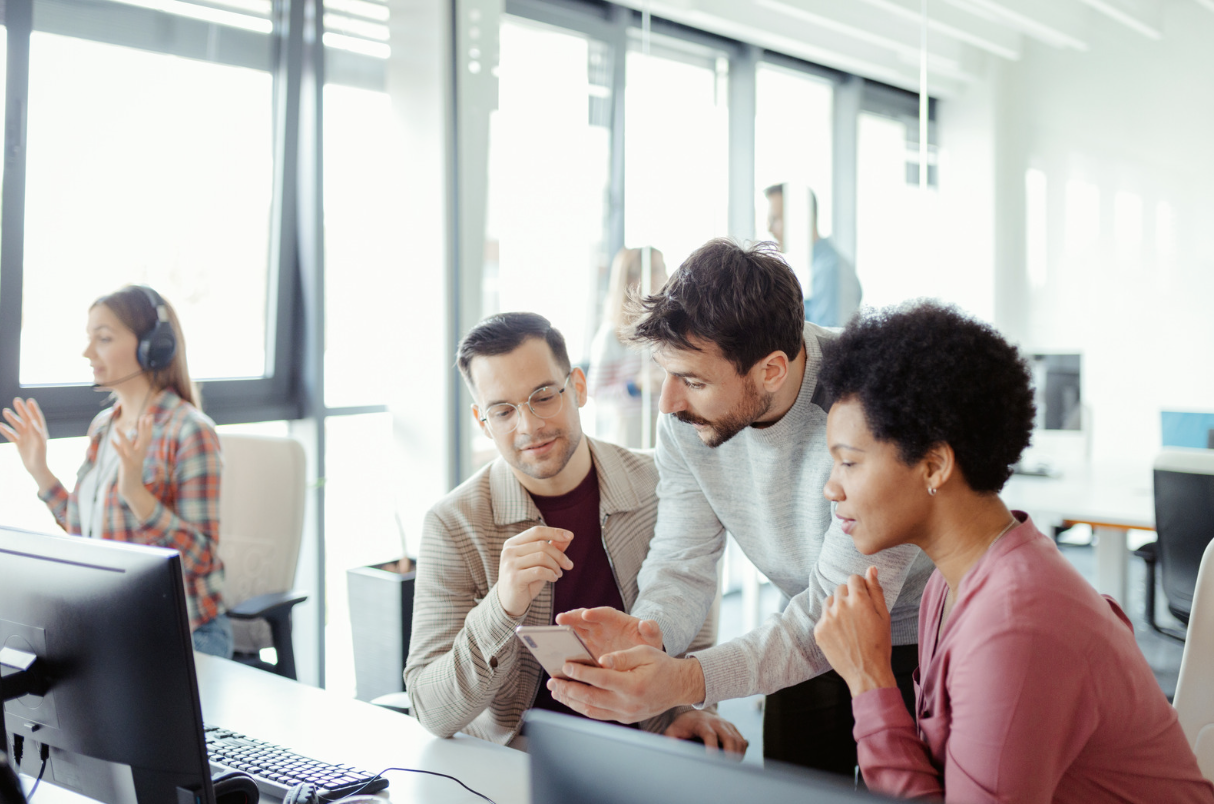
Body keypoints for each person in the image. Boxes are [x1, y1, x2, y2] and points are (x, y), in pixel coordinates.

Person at [547, 239, 934, 776]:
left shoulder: (872, 399)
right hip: (801, 628)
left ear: (771, 369)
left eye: (694, 381)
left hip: (923, 639)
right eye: (666, 373)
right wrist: (647, 636)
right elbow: (681, 561)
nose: (669, 403)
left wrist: (682, 680)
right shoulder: (683, 420)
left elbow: (842, 603)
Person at [812, 301, 1214, 802]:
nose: (831, 489)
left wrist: (869, 679)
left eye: (848, 463)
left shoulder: (1016, 624)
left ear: (934, 466)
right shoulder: (947, 583)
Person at [404, 312, 745, 753]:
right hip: (519, 758)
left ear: (579, 387)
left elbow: (692, 632)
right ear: (482, 421)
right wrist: (501, 608)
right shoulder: (454, 523)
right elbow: (431, 710)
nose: (528, 427)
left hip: (646, 750)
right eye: (503, 411)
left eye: (544, 396)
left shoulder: (659, 485)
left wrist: (688, 710)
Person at [0, 285, 230, 658]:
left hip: (183, 635)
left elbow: (202, 559)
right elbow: (89, 535)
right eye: (89, 339)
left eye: (103, 338)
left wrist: (137, 495)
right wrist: (40, 471)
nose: (87, 352)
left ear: (153, 347)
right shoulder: (104, 427)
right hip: (119, 630)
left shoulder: (189, 431)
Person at [587, 247, 667, 448]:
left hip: (664, 423)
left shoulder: (665, 329)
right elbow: (596, 394)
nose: (665, 276)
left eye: (662, 268)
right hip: (631, 432)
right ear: (634, 280)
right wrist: (636, 386)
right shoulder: (611, 336)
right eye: (657, 269)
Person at [764, 183, 861, 327]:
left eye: (776, 219)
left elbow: (834, 340)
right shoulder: (811, 266)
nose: (769, 229)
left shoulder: (831, 269)